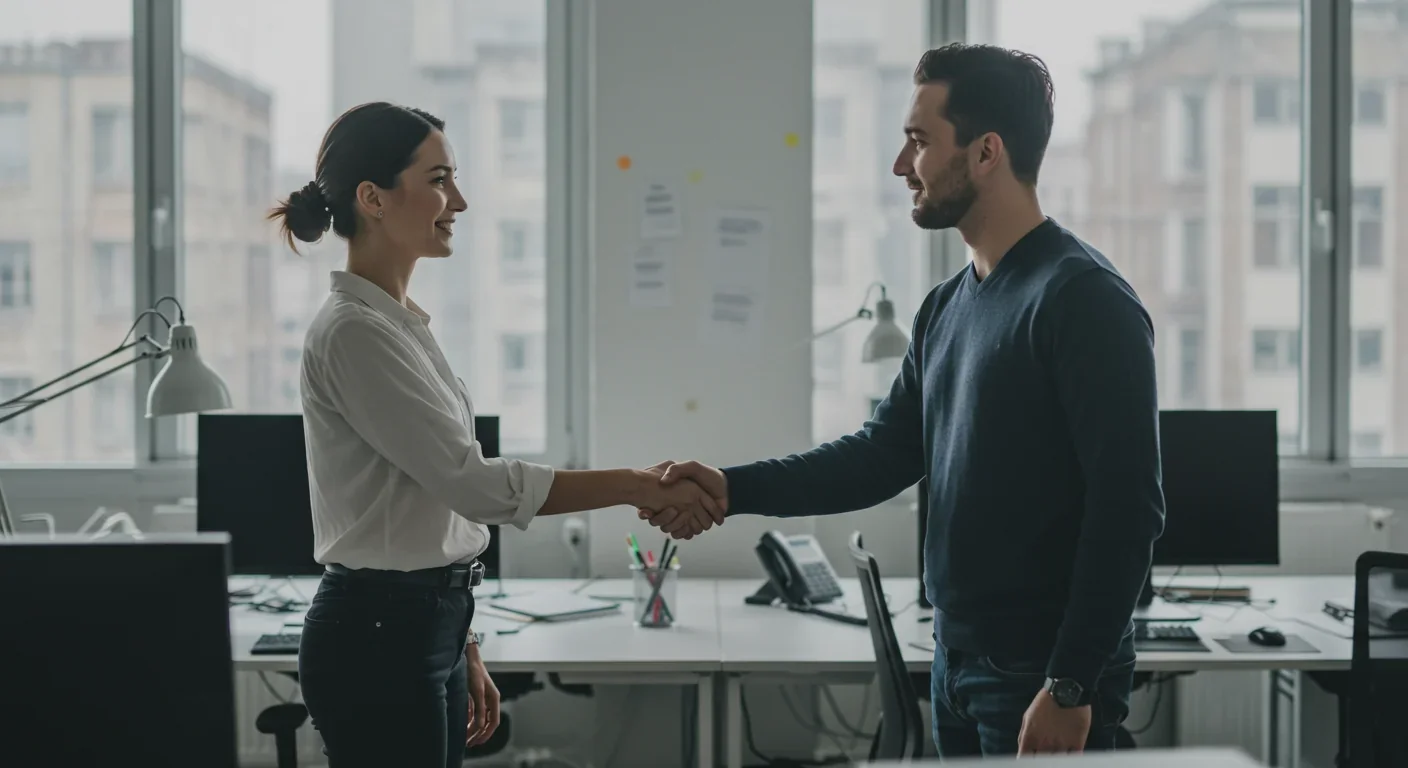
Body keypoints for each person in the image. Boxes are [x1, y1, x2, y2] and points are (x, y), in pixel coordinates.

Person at [639, 44, 1165, 757]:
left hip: (1040, 675)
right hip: (957, 662)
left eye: (918, 142)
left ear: (985, 153)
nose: (899, 165)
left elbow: (1129, 508)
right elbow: (880, 456)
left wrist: (1072, 685)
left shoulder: (1082, 300)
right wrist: (731, 487)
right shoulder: (947, 305)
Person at [269, 102, 723, 768]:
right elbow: (473, 485)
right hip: (379, 635)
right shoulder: (355, 333)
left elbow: (434, 506)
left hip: (422, 627)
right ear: (373, 198)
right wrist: (635, 484)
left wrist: (462, 642)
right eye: (439, 179)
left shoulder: (396, 325)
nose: (460, 200)